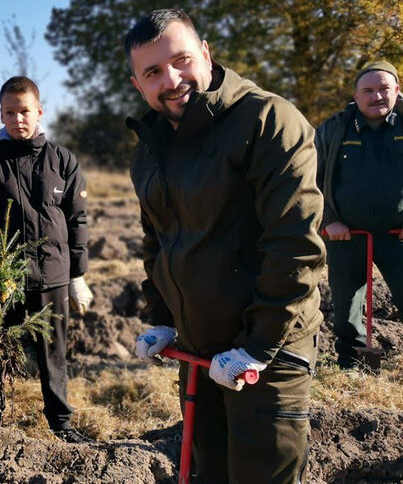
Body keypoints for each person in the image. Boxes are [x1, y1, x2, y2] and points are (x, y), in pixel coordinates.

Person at [125, 10, 325, 482]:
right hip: (199, 351)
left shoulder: (268, 121)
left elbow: (294, 245)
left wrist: (257, 346)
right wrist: (162, 319)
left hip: (268, 355)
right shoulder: (151, 147)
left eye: (181, 60)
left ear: (207, 54)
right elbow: (158, 239)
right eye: (153, 72)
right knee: (207, 472)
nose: (171, 80)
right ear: (138, 85)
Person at [0, 76, 93, 443]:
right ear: (0, 114)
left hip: (52, 276)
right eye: (9, 112)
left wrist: (78, 275)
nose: (18, 119)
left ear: (39, 112)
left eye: (24, 111)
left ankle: (61, 423)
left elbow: (77, 219)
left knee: (54, 355)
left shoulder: (63, 161)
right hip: (3, 280)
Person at [315, 61, 403, 369]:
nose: (376, 96)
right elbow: (312, 178)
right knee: (347, 305)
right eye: (368, 90)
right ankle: (352, 364)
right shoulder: (334, 129)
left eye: (383, 89)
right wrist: (328, 220)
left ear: (397, 90)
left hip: (398, 236)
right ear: (356, 94)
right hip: (346, 234)